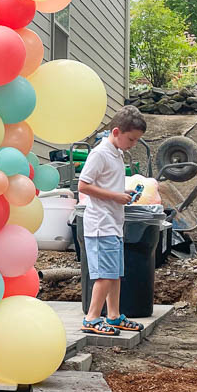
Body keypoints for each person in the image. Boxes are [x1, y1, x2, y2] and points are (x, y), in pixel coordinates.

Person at [76, 105, 148, 336]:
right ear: (116, 131)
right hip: (100, 224)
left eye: (136, 141)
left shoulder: (117, 153)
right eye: (131, 139)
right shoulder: (100, 153)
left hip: (114, 223)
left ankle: (114, 315)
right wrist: (117, 196)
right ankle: (92, 318)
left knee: (115, 273)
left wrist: (124, 194)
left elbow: (108, 185)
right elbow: (83, 185)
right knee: (105, 275)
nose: (133, 145)